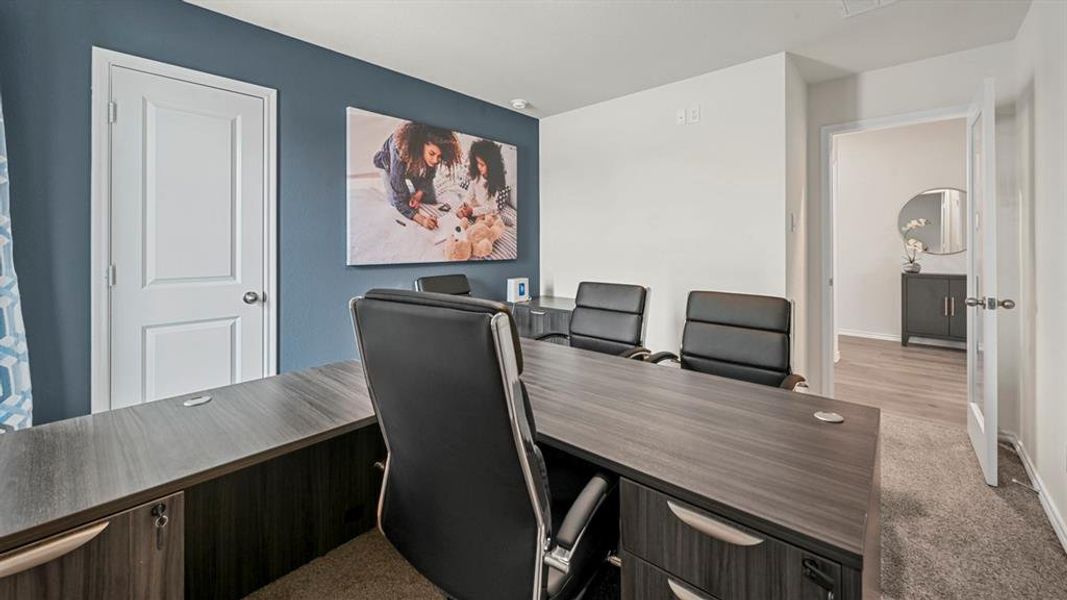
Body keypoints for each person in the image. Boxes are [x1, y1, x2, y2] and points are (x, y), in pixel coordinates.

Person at [373, 122, 461, 230]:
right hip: (388, 163)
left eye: (439, 156)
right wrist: (422, 220)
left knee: (430, 198)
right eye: (432, 154)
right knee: (396, 201)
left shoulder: (433, 153)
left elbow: (429, 175)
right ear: (420, 145)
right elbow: (399, 199)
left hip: (414, 162)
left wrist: (418, 195)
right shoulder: (399, 149)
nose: (435, 160)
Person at [457, 139, 508, 222]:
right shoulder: (477, 175)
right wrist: (465, 204)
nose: (478, 167)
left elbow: (489, 207)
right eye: (477, 163)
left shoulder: (493, 183)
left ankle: (500, 218)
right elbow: (470, 193)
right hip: (475, 205)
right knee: (459, 212)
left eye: (482, 164)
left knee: (482, 222)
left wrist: (473, 211)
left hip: (487, 210)